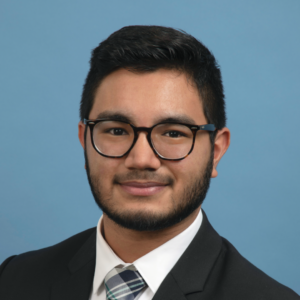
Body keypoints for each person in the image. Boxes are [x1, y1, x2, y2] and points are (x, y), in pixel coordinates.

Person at [0, 25, 299, 300]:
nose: (141, 159)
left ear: (216, 151)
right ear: (85, 140)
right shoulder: (14, 280)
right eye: (116, 130)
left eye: (173, 132)